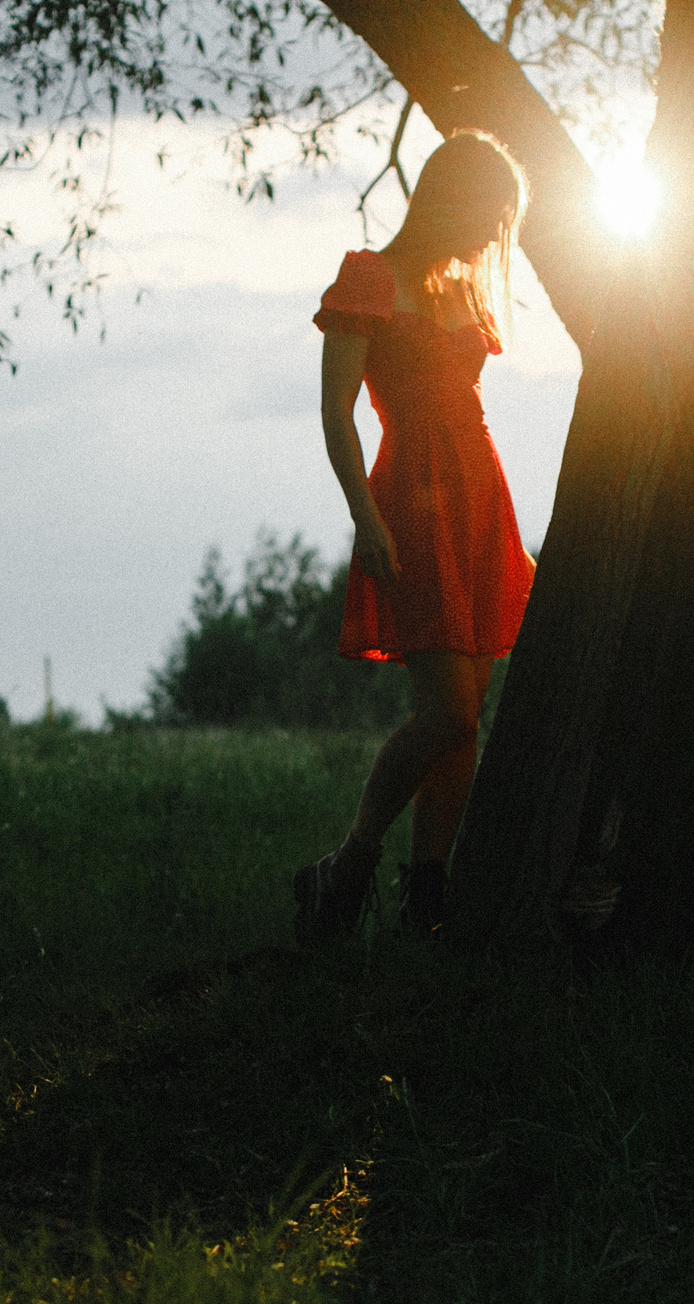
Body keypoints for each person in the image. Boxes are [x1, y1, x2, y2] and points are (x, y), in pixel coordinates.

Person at [293, 130, 533, 943]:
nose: (495, 233)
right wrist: (366, 517)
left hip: (479, 497)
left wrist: (507, 535)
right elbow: (336, 414)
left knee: (468, 715)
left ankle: (425, 897)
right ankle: (348, 864)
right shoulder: (370, 276)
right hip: (413, 504)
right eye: (491, 213)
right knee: (448, 712)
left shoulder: (460, 287)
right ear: (453, 198)